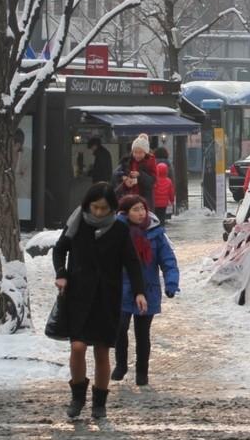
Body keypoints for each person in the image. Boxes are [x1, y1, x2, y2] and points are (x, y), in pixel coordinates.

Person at [52, 182, 146, 420]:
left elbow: (132, 263)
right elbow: (59, 249)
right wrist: (61, 274)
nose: (99, 213)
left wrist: (139, 292)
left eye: (104, 208)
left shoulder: (119, 229)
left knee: (102, 352)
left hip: (106, 297)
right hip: (78, 296)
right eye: (95, 207)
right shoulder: (77, 223)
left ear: (112, 208)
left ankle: (100, 403)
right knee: (78, 347)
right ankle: (77, 396)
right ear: (88, 205)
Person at [112, 195, 179, 386]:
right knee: (120, 328)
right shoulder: (117, 231)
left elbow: (168, 260)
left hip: (148, 289)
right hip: (122, 288)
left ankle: (142, 371)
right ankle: (121, 365)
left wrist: (171, 283)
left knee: (142, 333)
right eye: (135, 209)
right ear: (125, 212)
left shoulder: (155, 232)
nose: (141, 213)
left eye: (142, 208)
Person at [113, 133, 157, 204]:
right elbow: (115, 174)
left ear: (145, 152)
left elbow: (152, 182)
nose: (137, 155)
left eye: (140, 152)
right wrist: (123, 178)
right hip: (127, 198)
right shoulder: (127, 161)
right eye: (135, 152)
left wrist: (140, 175)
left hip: (144, 200)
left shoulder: (150, 162)